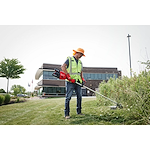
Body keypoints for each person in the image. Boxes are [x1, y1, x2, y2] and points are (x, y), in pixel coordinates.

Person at [61, 48, 86, 119]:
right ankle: (67, 114)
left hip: (77, 82)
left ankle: (79, 112)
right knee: (68, 97)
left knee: (79, 97)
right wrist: (68, 76)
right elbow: (63, 67)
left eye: (82, 54)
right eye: (81, 54)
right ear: (77, 53)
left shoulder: (80, 62)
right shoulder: (69, 59)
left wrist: (82, 78)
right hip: (70, 82)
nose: (81, 56)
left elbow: (80, 72)